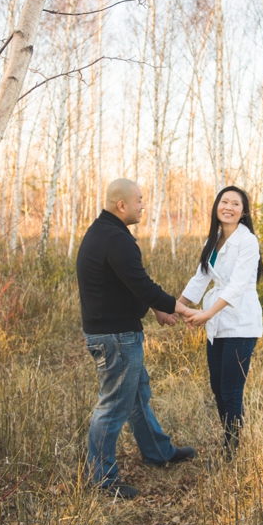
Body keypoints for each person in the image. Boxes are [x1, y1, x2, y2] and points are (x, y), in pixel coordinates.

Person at [77, 179, 199, 500]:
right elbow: (141, 285)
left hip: (115, 332)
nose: (143, 206)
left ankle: (158, 452)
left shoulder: (105, 233)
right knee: (115, 405)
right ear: (122, 206)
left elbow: (128, 286)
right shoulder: (115, 239)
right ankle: (100, 478)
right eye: (140, 201)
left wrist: (157, 309)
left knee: (135, 397)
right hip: (115, 338)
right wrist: (179, 308)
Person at [177, 186, 263, 458]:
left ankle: (233, 450)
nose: (228, 207)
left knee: (231, 388)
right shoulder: (215, 239)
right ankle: (231, 441)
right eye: (224, 201)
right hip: (218, 323)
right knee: (217, 386)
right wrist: (176, 307)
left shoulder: (247, 241)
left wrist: (206, 314)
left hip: (240, 322)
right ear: (216, 206)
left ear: (243, 211)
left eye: (235, 204)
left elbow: (237, 286)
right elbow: (201, 277)